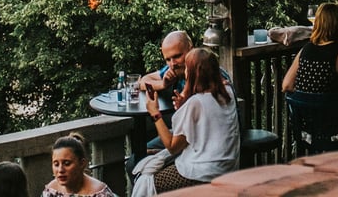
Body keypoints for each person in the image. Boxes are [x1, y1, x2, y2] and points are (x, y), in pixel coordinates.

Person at [140, 47, 239, 194]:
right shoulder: (227, 92)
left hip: (203, 173)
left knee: (146, 181)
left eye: (187, 68)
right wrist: (184, 105)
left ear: (193, 73)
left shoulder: (196, 103)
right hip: (228, 166)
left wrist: (155, 113)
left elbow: (173, 146)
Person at [281, 3, 338, 97]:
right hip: (332, 110)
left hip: (304, 111)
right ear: (337, 25)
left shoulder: (306, 48)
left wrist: (308, 96)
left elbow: (286, 86)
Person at [41, 134, 117, 197]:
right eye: (56, 164)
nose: (60, 170)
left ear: (82, 163)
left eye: (67, 163)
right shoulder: (51, 190)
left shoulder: (99, 193)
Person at [140, 30, 192, 100]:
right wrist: (163, 84)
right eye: (168, 60)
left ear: (190, 50)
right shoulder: (173, 70)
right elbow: (143, 82)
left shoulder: (202, 72)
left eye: (177, 56)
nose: (173, 64)